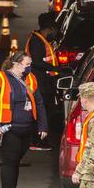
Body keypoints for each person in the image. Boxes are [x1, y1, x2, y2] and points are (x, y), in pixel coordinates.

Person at [0, 52, 49, 188]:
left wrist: (43, 125)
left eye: (30, 64)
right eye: (27, 64)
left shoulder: (31, 79)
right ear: (16, 64)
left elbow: (39, 103)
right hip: (8, 129)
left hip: (26, 128)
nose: (29, 67)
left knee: (15, 162)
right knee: (10, 161)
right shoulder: (0, 79)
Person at [25, 12, 58, 148]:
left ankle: (39, 140)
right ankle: (38, 141)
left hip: (43, 82)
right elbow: (38, 62)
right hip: (39, 83)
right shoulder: (37, 41)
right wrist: (58, 70)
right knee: (41, 112)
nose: (55, 33)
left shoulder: (40, 39)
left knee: (43, 112)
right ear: (49, 28)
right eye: (54, 30)